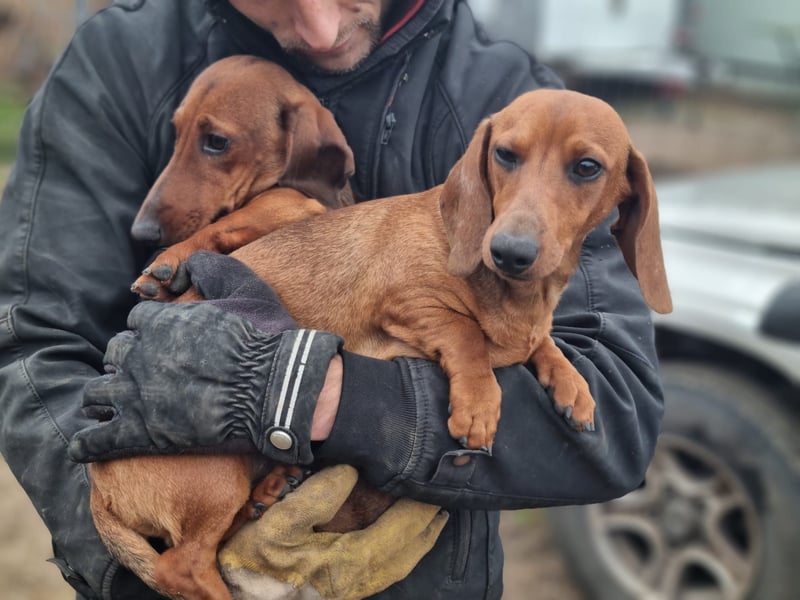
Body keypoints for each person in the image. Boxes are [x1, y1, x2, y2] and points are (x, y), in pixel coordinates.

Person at [0, 1, 665, 599]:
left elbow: (616, 420)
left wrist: (316, 395)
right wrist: (136, 574)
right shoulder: (118, 64)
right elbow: (35, 346)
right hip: (182, 536)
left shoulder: (523, 106)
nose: (321, 29)